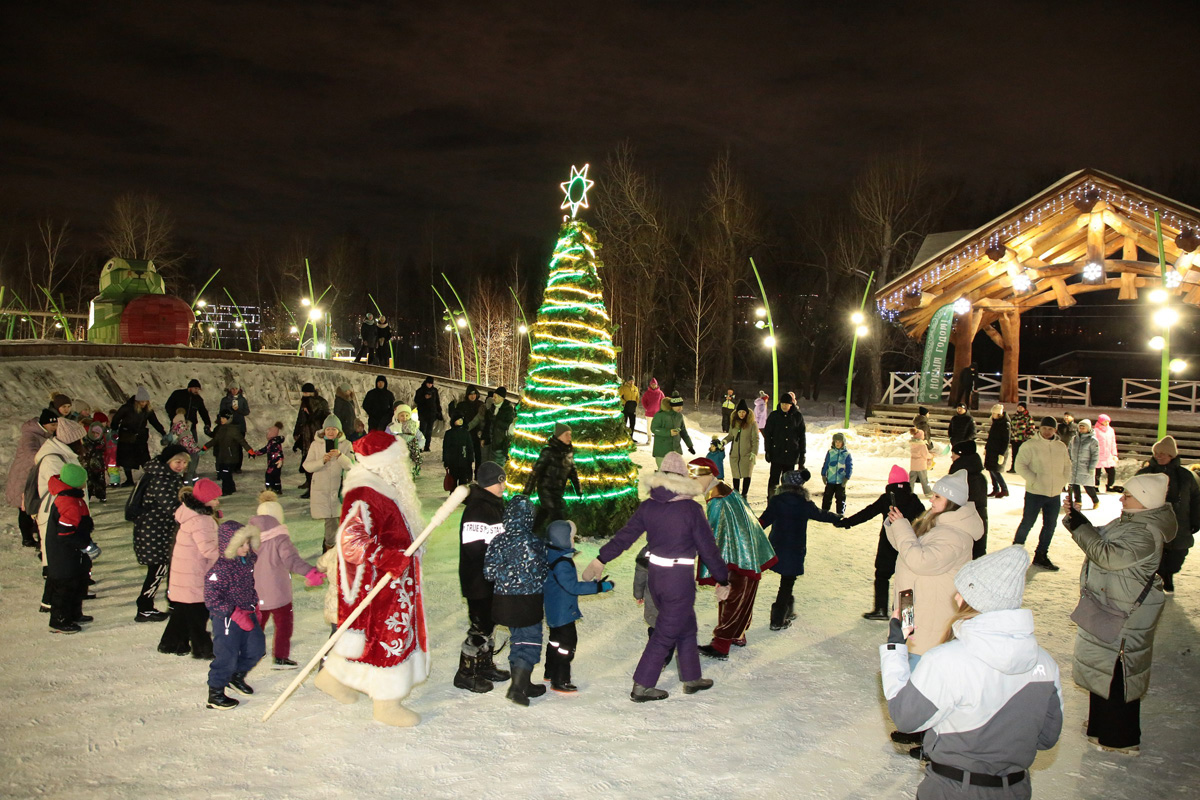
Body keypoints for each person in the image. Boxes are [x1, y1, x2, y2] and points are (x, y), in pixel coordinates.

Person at [880, 546, 1063, 795]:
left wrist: (895, 647)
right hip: (1014, 789)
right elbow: (1046, 738)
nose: (956, 596)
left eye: (962, 590)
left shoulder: (946, 661)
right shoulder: (1046, 665)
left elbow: (906, 716)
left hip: (953, 788)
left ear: (973, 598)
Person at [582, 452, 732, 702]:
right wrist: (722, 578)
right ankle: (642, 685)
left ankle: (691, 678)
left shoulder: (648, 506)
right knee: (665, 633)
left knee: (685, 626)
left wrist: (601, 558)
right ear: (683, 477)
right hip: (678, 580)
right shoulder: (691, 509)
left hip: (656, 577)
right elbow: (708, 549)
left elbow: (625, 537)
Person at [313, 431, 429, 727]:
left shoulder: (384, 488)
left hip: (394, 580)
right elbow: (350, 539)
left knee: (378, 638)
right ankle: (385, 704)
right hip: (380, 583)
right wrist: (387, 557)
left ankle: (333, 679)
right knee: (385, 638)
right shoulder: (365, 492)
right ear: (385, 462)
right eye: (398, 461)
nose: (402, 467)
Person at [1062, 473, 1174, 755]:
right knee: (1105, 667)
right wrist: (1080, 522)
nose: (1122, 498)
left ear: (1146, 500)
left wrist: (1079, 527)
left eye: (1129, 495)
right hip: (1111, 604)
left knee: (1119, 671)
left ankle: (1122, 738)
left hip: (1125, 613)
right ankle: (1101, 727)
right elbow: (1101, 538)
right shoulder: (1133, 521)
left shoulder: (1146, 531)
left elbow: (1109, 556)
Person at [885, 471, 984, 663]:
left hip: (928, 614)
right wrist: (894, 525)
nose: (931, 500)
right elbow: (907, 549)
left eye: (937, 496)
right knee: (901, 661)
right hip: (911, 605)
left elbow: (919, 561)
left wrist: (901, 527)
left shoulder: (954, 536)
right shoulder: (937, 523)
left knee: (913, 670)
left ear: (951, 502)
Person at [693, 458, 775, 658]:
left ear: (710, 475)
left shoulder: (717, 500)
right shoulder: (725, 490)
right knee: (743, 595)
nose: (693, 482)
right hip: (745, 552)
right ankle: (738, 634)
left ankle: (721, 645)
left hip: (736, 556)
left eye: (697, 478)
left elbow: (711, 535)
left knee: (731, 596)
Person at [484, 494, 548, 706]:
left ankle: (524, 682)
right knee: (529, 641)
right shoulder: (534, 542)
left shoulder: (497, 540)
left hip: (504, 603)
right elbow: (543, 572)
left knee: (517, 639)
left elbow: (489, 572)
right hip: (527, 603)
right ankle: (517, 688)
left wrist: (507, 574)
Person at [838, 465, 925, 621]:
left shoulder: (887, 499)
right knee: (906, 579)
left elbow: (868, 512)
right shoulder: (914, 499)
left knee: (882, 576)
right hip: (908, 545)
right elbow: (924, 520)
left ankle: (880, 609)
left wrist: (847, 522)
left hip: (888, 545)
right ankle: (906, 616)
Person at [454, 462, 512, 694]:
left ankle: (484, 664)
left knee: (490, 622)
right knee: (480, 627)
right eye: (501, 480)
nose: (504, 485)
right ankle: (466, 673)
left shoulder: (495, 505)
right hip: (478, 579)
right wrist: (498, 560)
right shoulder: (478, 508)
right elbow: (474, 549)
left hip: (491, 577)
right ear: (493, 481)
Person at [756, 468, 839, 630]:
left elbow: (763, 521)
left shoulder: (777, 501)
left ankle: (788, 609)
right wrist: (838, 519)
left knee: (787, 581)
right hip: (795, 549)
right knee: (787, 582)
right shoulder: (804, 504)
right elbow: (821, 514)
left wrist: (748, 530)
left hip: (777, 547)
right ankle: (778, 619)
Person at [250, 491, 324, 668]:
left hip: (255, 590)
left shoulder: (250, 536)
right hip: (278, 591)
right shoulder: (280, 537)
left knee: (256, 624)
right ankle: (280, 657)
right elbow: (291, 560)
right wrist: (310, 572)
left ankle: (249, 653)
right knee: (283, 624)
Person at [543, 519, 614, 693]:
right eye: (571, 537)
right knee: (566, 645)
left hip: (553, 610)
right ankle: (560, 679)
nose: (573, 540)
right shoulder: (562, 563)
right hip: (563, 612)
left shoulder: (551, 555)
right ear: (563, 541)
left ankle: (550, 671)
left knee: (555, 642)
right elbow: (573, 587)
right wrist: (599, 587)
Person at [203, 520, 266, 711]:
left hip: (247, 611)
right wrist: (234, 613)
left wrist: (254, 607)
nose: (246, 548)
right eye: (241, 545)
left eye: (248, 543)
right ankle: (215, 693)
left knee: (257, 649)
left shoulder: (246, 561)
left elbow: (248, 586)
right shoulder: (220, 569)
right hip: (227, 619)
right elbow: (211, 598)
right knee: (227, 655)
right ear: (229, 546)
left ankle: (235, 676)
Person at [158, 479, 221, 658]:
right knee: (198, 611)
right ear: (205, 500)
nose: (217, 502)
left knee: (184, 609)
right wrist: (230, 553)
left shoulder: (189, 513)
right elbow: (208, 549)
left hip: (185, 570)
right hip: (195, 573)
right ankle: (203, 648)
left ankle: (171, 642)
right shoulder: (202, 520)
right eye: (215, 498)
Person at [132, 445, 190, 622]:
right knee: (158, 568)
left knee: (171, 566)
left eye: (184, 462)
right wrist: (198, 512)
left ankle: (174, 601)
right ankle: (144, 607)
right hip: (152, 532)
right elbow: (173, 507)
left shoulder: (170, 476)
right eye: (177, 462)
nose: (181, 466)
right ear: (168, 461)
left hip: (163, 531)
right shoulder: (160, 479)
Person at [1137, 436, 1200, 592]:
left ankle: (1168, 574)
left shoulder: (1186, 476)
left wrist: (1196, 521)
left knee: (1177, 557)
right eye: (1157, 453)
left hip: (1180, 523)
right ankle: (1156, 579)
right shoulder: (1144, 474)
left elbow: (1196, 500)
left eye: (1163, 453)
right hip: (1152, 523)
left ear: (1172, 455)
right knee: (1154, 554)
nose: (1159, 456)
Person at [44, 463, 99, 634]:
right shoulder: (68, 502)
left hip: (73, 552)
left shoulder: (74, 498)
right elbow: (66, 533)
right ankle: (59, 620)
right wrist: (86, 546)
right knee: (65, 586)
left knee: (77, 582)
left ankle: (74, 613)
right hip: (63, 554)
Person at [1013, 416, 1072, 571]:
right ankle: (1014, 553)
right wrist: (1034, 479)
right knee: (1027, 523)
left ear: (1055, 430)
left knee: (1050, 525)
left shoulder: (1060, 446)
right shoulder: (1030, 445)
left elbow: (1067, 465)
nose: (1047, 432)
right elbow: (1020, 465)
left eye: (1050, 429)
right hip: (1035, 492)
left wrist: (1062, 481)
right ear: (1040, 428)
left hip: (1054, 493)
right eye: (1045, 428)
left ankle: (1041, 554)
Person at [6, 407, 57, 548]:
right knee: (25, 508)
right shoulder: (30, 435)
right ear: (44, 424)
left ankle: (34, 534)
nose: (55, 427)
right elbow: (31, 453)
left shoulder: (44, 435)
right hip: (24, 478)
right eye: (53, 425)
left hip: (32, 476)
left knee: (32, 507)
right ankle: (27, 538)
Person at [304, 415, 354, 553]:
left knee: (339, 520)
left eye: (334, 429)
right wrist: (322, 461)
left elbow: (352, 465)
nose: (331, 432)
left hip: (339, 489)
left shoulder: (346, 445)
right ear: (324, 430)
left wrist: (340, 456)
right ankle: (329, 550)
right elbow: (307, 466)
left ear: (339, 431)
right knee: (330, 521)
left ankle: (335, 549)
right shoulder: (316, 445)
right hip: (322, 488)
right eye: (328, 429)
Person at [523, 422, 581, 532]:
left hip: (558, 491)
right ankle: (561, 542)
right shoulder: (548, 451)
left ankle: (531, 532)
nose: (570, 437)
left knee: (543, 513)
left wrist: (579, 490)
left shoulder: (569, 453)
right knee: (557, 515)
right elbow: (536, 472)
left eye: (570, 434)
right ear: (559, 436)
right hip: (546, 490)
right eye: (566, 434)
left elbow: (573, 474)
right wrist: (527, 492)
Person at [112, 386, 166, 486]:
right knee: (126, 460)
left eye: (145, 401)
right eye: (142, 402)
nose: (144, 404)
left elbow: (155, 422)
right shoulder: (127, 408)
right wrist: (114, 429)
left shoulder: (147, 410)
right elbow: (116, 419)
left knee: (144, 459)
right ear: (137, 401)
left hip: (140, 437)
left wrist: (162, 432)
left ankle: (150, 477)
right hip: (126, 437)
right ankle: (129, 480)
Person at [949, 440, 990, 558]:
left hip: (967, 524)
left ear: (962, 456)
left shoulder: (965, 478)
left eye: (954, 453)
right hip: (975, 523)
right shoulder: (975, 475)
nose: (952, 456)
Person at [203, 412, 255, 496]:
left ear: (229, 419)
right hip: (222, 456)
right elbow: (215, 440)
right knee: (226, 473)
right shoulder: (221, 429)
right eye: (221, 418)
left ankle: (226, 490)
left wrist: (250, 451)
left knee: (225, 473)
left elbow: (242, 441)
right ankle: (231, 487)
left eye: (224, 418)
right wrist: (204, 447)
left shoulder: (234, 430)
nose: (222, 420)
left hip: (231, 457)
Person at [293, 382, 329, 496]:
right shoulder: (305, 402)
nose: (305, 394)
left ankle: (312, 485)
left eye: (307, 392)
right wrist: (297, 431)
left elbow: (324, 417)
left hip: (315, 434)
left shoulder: (321, 402)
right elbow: (300, 418)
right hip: (306, 434)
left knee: (314, 458)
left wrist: (311, 415)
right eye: (304, 392)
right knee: (306, 458)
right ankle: (308, 482)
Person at [764, 395, 804, 495]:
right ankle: (772, 502)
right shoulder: (774, 416)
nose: (784, 406)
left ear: (791, 405)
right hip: (776, 453)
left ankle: (786, 502)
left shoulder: (797, 416)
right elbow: (768, 434)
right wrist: (768, 450)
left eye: (787, 404)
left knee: (788, 482)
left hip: (791, 454)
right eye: (783, 403)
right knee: (774, 480)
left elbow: (802, 437)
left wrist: (802, 455)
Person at [722, 400, 758, 499]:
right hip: (734, 454)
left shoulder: (752, 424)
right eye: (739, 412)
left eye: (743, 412)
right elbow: (730, 436)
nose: (741, 414)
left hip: (747, 454)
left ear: (747, 413)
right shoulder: (733, 423)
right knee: (736, 475)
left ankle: (744, 494)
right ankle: (736, 495)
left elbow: (755, 439)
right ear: (737, 413)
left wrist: (754, 452)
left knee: (746, 474)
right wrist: (723, 442)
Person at [651, 395, 695, 469]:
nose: (680, 408)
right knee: (663, 473)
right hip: (662, 450)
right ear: (671, 405)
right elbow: (654, 429)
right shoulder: (660, 415)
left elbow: (683, 432)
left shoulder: (679, 416)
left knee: (675, 473)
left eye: (681, 406)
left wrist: (690, 445)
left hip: (676, 450)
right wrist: (668, 432)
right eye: (678, 406)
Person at [218, 381, 250, 473]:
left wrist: (238, 410)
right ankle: (230, 465)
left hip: (240, 426)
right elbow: (221, 412)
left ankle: (238, 466)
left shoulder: (242, 400)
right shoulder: (225, 400)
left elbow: (246, 411)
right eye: (232, 389)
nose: (234, 390)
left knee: (239, 446)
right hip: (229, 426)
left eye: (236, 389)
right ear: (229, 389)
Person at [1068, 419, 1100, 509]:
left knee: (1088, 486)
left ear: (1088, 428)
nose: (1081, 429)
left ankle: (1095, 500)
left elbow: (1095, 455)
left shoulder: (1093, 440)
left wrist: (1092, 467)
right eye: (1080, 427)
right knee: (1074, 484)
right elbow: (1069, 450)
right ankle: (1078, 501)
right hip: (1075, 465)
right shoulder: (1074, 439)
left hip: (1085, 466)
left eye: (1083, 427)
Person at [819, 432, 852, 516]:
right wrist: (823, 474)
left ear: (843, 443)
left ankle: (840, 513)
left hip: (841, 481)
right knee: (827, 496)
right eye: (836, 441)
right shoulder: (830, 452)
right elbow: (826, 464)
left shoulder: (846, 454)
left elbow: (849, 467)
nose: (837, 443)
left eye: (839, 442)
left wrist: (847, 477)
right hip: (830, 479)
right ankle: (824, 511)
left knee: (840, 498)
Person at [390, 404, 425, 477]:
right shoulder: (392, 427)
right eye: (402, 415)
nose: (404, 418)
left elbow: (421, 438)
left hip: (412, 451)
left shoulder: (412, 426)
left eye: (407, 415)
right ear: (397, 416)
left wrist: (416, 445)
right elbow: (387, 439)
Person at [983, 404, 1010, 499]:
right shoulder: (995, 422)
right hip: (991, 449)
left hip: (998, 451)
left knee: (996, 470)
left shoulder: (1005, 424)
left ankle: (1004, 489)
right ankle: (996, 488)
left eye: (994, 413)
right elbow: (991, 437)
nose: (993, 415)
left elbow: (1006, 440)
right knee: (991, 469)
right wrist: (986, 448)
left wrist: (1002, 453)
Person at [169, 409, 203, 484]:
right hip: (195, 452)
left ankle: (188, 491)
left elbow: (171, 440)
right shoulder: (187, 426)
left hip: (188, 453)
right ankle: (198, 488)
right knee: (192, 472)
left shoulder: (176, 427)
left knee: (188, 475)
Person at [443, 412, 475, 489]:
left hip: (464, 461)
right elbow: (446, 448)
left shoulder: (466, 433)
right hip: (453, 462)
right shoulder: (449, 433)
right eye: (458, 420)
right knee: (453, 479)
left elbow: (470, 447)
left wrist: (470, 459)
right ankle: (453, 493)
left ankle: (462, 494)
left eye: (461, 420)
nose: (460, 421)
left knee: (463, 480)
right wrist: (446, 461)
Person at [81, 420, 110, 503]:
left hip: (98, 464)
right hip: (88, 465)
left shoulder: (101, 442)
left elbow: (105, 452)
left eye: (97, 433)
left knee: (100, 480)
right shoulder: (86, 441)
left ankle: (101, 495)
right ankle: (88, 496)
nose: (95, 435)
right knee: (89, 481)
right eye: (93, 433)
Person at [486, 387, 516, 464]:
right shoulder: (492, 408)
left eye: (495, 397)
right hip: (492, 443)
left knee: (499, 466)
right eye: (493, 396)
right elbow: (488, 423)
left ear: (501, 398)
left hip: (501, 443)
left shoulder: (508, 409)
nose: (493, 398)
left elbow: (509, 425)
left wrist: (497, 421)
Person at [458, 387, 486, 470]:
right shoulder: (462, 405)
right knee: (467, 456)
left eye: (474, 394)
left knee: (479, 456)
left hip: (478, 434)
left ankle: (478, 475)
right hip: (467, 434)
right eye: (470, 394)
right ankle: (467, 475)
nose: (472, 396)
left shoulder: (481, 405)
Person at [413, 377, 443, 452]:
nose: (429, 385)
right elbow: (416, 400)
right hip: (423, 413)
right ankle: (420, 446)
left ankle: (427, 446)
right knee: (422, 430)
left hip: (432, 413)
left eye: (431, 383)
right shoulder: (420, 390)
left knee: (429, 431)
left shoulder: (434, 391)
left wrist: (439, 412)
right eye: (428, 383)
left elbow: (437, 402)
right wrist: (424, 398)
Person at [1094, 414, 1119, 492]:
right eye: (1105, 421)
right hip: (1098, 454)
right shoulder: (1095, 430)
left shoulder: (1111, 430)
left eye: (1108, 421)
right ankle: (1096, 486)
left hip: (1108, 455)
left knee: (1112, 471)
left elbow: (1113, 442)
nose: (1107, 422)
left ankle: (1110, 485)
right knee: (1097, 472)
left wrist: (1114, 454)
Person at [1008, 402, 1035, 474]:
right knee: (1014, 454)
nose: (1019, 408)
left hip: (1023, 439)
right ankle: (1013, 467)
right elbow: (1011, 427)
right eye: (1018, 407)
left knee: (1022, 455)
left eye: (1021, 407)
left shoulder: (1028, 417)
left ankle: (1023, 469)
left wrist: (1028, 437)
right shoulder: (1014, 417)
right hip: (1015, 438)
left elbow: (1031, 428)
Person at [261, 422, 285, 493]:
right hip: (275, 462)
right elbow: (266, 449)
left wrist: (280, 460)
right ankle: (277, 488)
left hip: (274, 463)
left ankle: (270, 489)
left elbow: (278, 452)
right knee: (276, 476)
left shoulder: (273, 442)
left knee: (269, 476)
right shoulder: (274, 442)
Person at [908, 428, 933, 497]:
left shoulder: (912, 444)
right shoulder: (922, 445)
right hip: (921, 465)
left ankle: (909, 491)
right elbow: (926, 455)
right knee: (924, 480)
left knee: (911, 480)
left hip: (913, 465)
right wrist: (932, 455)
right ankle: (928, 492)